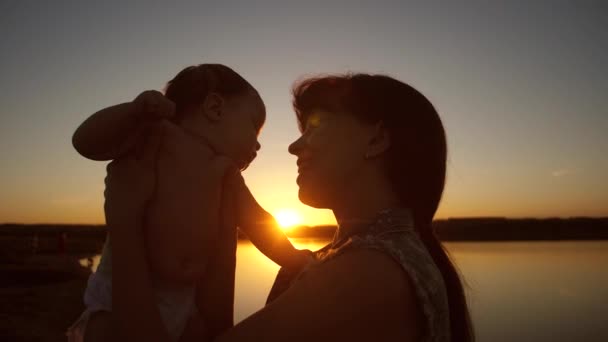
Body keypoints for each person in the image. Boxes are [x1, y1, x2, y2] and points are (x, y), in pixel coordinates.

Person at [106, 73, 475, 341]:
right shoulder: (354, 258)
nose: (294, 147)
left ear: (376, 138)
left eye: (315, 127)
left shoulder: (367, 274)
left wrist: (124, 219)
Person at [67, 64, 311, 342]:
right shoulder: (156, 139)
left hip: (185, 300)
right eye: (254, 129)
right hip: (118, 294)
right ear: (215, 108)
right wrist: (133, 112)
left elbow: (259, 222)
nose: (257, 146)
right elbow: (85, 142)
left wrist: (293, 258)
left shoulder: (224, 173)